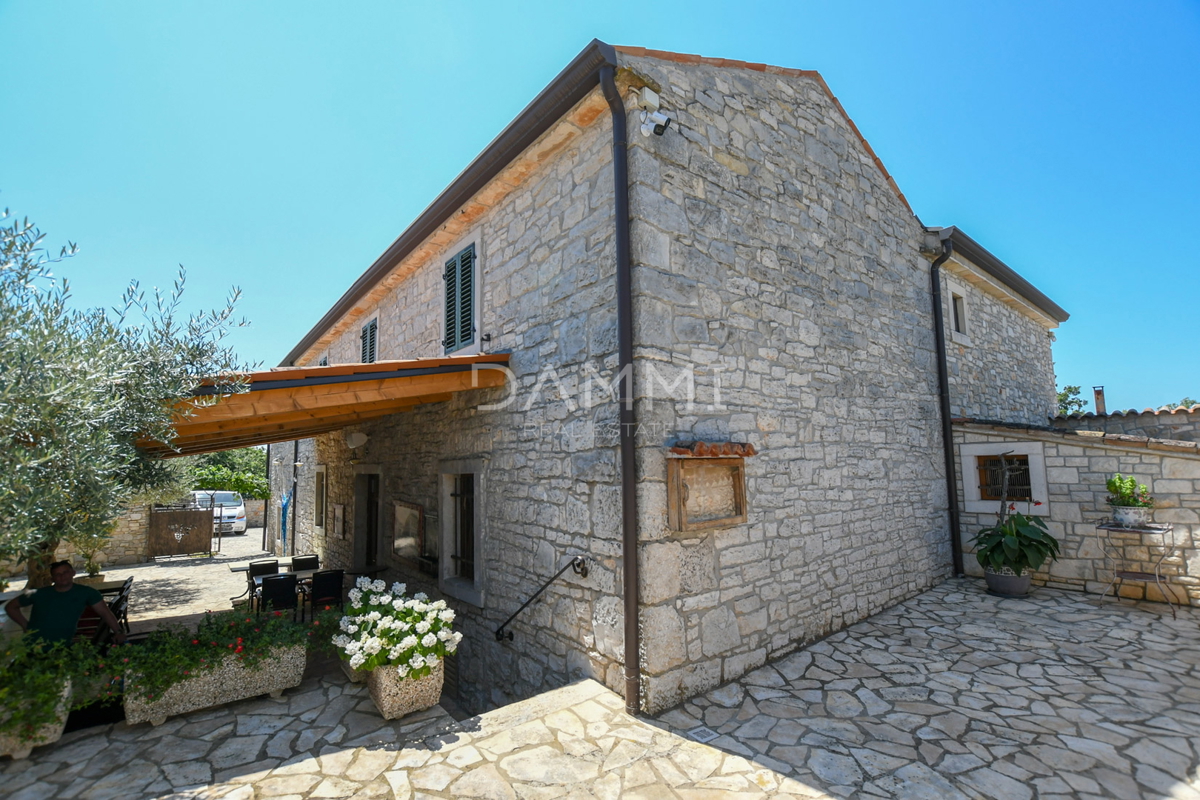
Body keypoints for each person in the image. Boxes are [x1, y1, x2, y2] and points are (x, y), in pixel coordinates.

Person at [4, 560, 126, 645]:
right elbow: (11, 607)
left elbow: (105, 613)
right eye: (57, 574)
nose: (62, 576)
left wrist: (118, 631)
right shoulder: (38, 593)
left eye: (65, 572)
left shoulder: (87, 593)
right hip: (36, 644)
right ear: (52, 579)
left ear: (73, 573)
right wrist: (26, 626)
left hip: (64, 643)